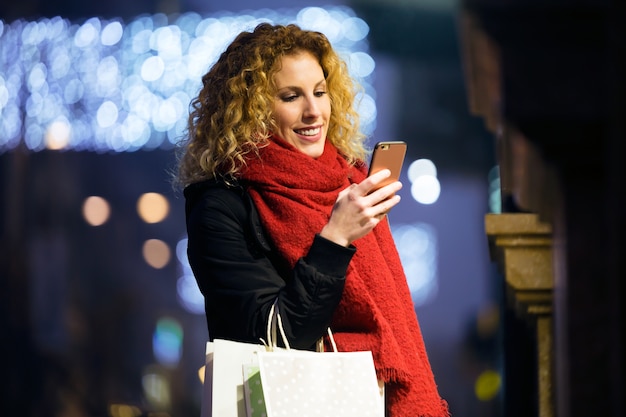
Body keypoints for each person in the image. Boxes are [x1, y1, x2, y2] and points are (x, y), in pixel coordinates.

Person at [176, 22, 449, 417]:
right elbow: (274, 335)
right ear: (251, 109)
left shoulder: (347, 181)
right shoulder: (221, 205)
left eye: (320, 92)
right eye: (291, 97)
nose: (313, 111)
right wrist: (335, 238)